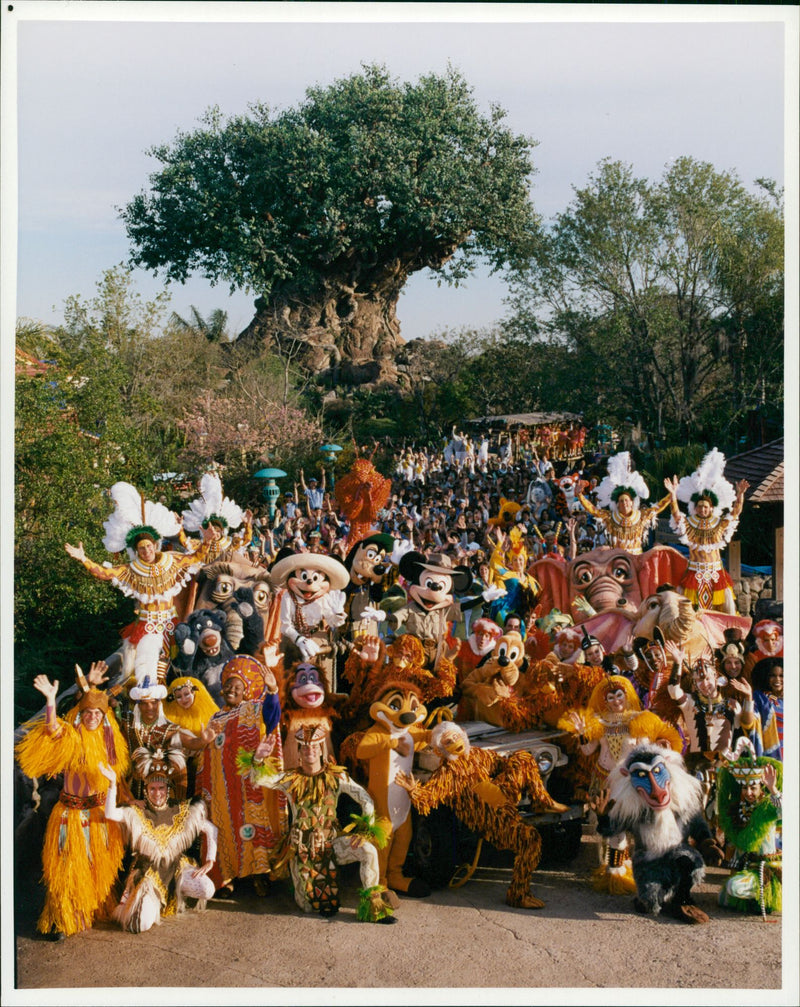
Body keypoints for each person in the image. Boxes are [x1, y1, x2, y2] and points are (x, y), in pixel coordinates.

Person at [15, 667, 130, 939]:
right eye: (87, 712)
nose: (92, 717)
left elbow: (118, 775)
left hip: (99, 813)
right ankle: (61, 919)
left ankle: (87, 909)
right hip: (70, 815)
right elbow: (53, 730)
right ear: (80, 714)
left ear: (104, 717)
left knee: (96, 865)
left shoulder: (110, 741)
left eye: (97, 713)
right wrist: (51, 701)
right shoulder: (72, 735)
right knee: (66, 868)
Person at [65, 481, 215, 684]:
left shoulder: (172, 561)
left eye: (149, 546)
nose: (147, 551)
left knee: (179, 660)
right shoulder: (131, 570)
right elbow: (104, 573)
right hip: (147, 624)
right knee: (144, 668)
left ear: (155, 545)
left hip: (171, 621)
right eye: (142, 549)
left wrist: (207, 541)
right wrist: (84, 559)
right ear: (137, 551)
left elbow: (196, 557)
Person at [249, 723, 396, 923]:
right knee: (307, 908)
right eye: (305, 747)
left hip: (331, 844)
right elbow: (259, 780)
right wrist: (258, 759)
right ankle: (307, 891)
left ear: (321, 750)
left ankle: (374, 908)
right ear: (299, 752)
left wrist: (365, 832)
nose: (310, 750)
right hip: (301, 848)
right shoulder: (290, 779)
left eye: (315, 746)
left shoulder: (336, 776)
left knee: (368, 851)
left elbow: (365, 799)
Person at [99, 745, 219, 933]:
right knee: (139, 925)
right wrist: (112, 784)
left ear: (168, 789)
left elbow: (211, 829)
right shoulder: (137, 811)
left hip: (177, 869)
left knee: (207, 889)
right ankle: (152, 903)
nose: (157, 793)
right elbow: (110, 813)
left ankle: (169, 897)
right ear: (146, 790)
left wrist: (210, 861)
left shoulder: (180, 809)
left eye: (161, 788)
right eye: (152, 788)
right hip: (149, 874)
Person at [194, 655, 287, 896]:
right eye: (228, 686)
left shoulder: (253, 709)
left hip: (248, 787)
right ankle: (224, 879)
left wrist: (272, 690)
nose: (231, 690)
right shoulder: (214, 719)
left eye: (238, 687)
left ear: (246, 692)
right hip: (221, 790)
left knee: (253, 829)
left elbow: (272, 716)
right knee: (223, 831)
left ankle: (259, 876)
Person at [664, 449, 748, 613]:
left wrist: (740, 494)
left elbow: (736, 511)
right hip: (695, 572)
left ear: (711, 508)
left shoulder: (718, 523)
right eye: (700, 506)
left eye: (706, 506)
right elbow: (675, 514)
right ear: (695, 508)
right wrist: (673, 495)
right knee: (689, 611)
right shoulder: (689, 524)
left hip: (716, 572)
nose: (703, 509)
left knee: (725, 609)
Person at [577, 451, 670, 555]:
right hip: (618, 561)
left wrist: (671, 495)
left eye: (626, 500)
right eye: (621, 501)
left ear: (632, 502)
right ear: (617, 504)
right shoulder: (611, 517)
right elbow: (593, 510)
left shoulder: (641, 516)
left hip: (637, 561)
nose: (624, 503)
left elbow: (658, 507)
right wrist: (580, 496)